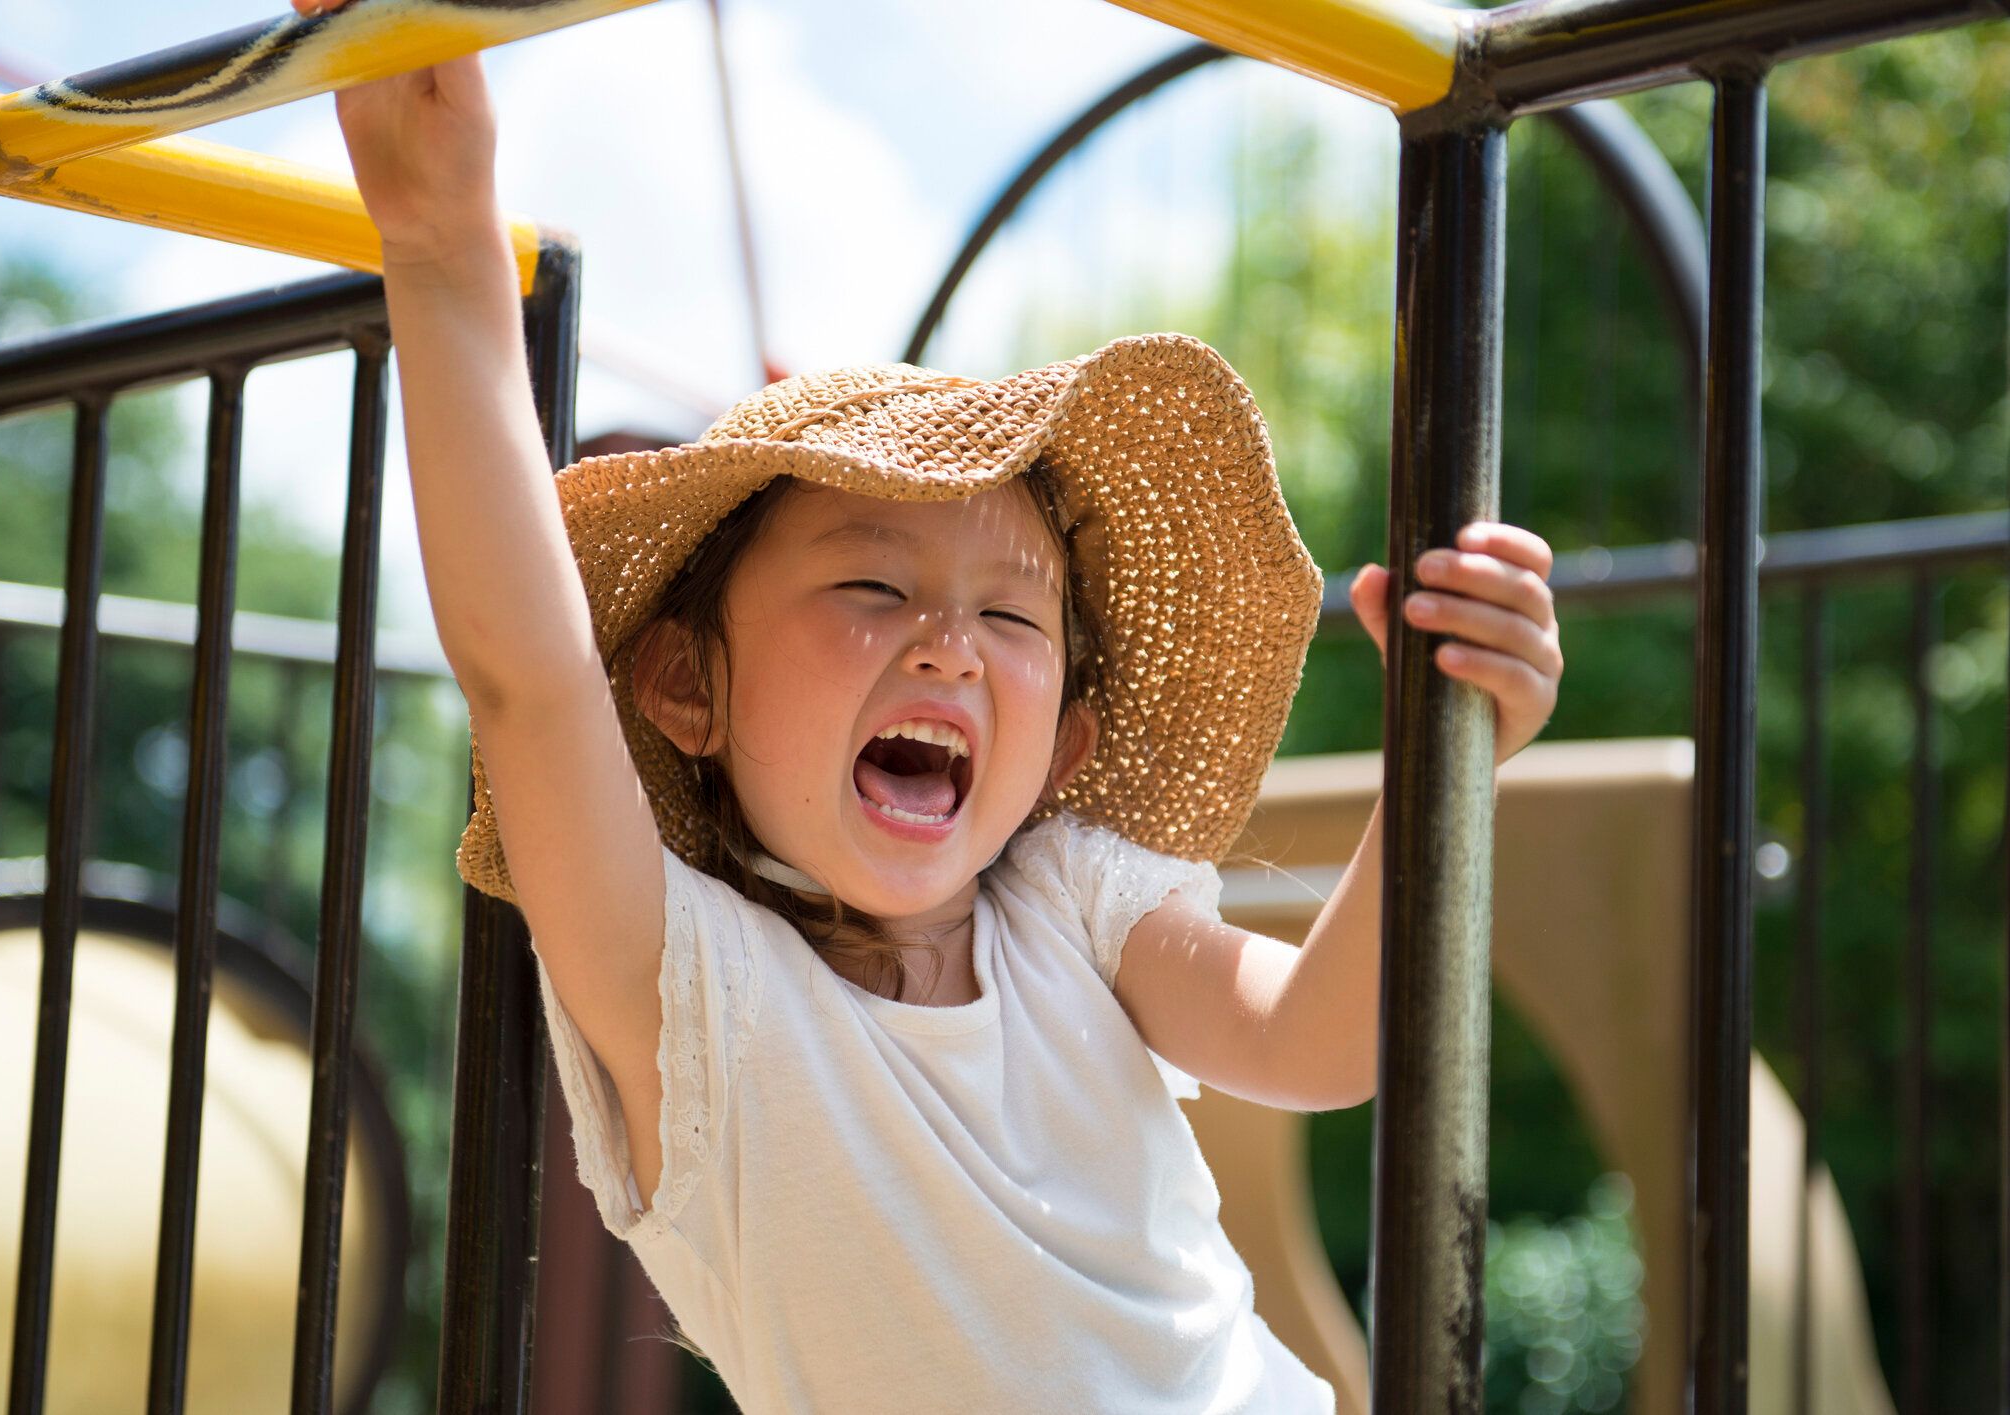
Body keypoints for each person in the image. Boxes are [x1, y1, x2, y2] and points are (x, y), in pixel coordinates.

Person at [293, 3, 1564, 1408]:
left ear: (1064, 745)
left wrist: (1446, 756)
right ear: (682, 684)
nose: (951, 646)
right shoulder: (697, 998)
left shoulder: (1073, 902)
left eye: (1012, 616)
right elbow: (526, 681)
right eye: (871, 591)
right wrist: (436, 242)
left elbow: (1319, 1042)